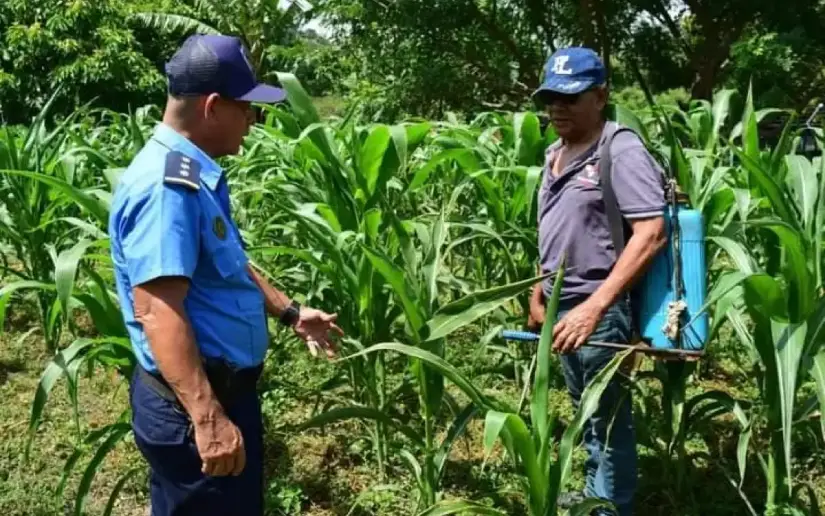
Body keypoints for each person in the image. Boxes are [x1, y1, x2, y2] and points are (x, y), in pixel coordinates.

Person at [108, 34, 344, 516]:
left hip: (218, 395)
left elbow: (227, 262)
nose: (253, 121)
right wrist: (207, 416)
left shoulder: (188, 170)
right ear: (213, 106)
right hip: (194, 408)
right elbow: (158, 309)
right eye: (247, 108)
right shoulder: (165, 188)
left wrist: (290, 312)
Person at [527, 47, 667, 515]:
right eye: (551, 98)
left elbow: (651, 233)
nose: (558, 108)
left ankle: (610, 508)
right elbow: (554, 227)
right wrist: (539, 289)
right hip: (563, 307)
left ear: (601, 96)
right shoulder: (555, 152)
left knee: (607, 419)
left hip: (600, 310)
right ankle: (594, 496)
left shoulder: (620, 151)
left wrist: (595, 308)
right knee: (584, 411)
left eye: (571, 98)